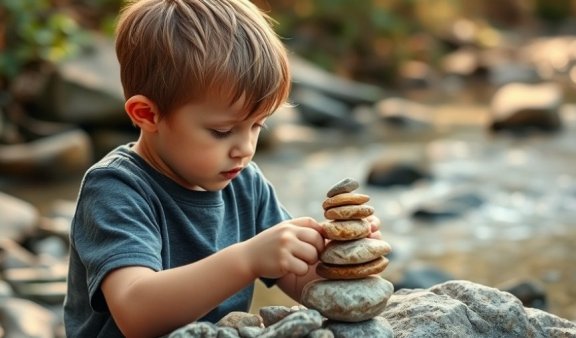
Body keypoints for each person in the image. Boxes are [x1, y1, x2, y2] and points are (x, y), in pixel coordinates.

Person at [63, 0, 380, 337]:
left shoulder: (246, 184)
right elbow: (136, 313)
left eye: (258, 125)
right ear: (147, 115)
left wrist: (345, 259)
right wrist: (247, 259)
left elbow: (305, 282)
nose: (245, 149)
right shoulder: (116, 188)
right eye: (222, 131)